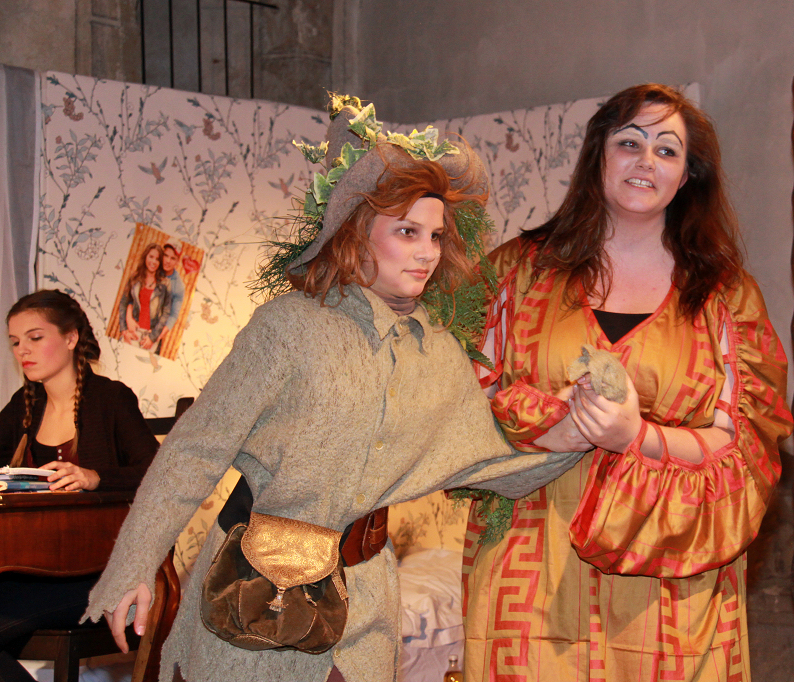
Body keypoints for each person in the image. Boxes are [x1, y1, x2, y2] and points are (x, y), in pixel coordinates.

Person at [83, 99, 582, 682]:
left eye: (436, 236)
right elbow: (196, 449)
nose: (427, 252)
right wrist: (135, 562)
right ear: (356, 232)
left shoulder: (440, 353)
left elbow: (489, 459)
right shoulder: (290, 326)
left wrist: (583, 431)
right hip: (253, 598)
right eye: (407, 232)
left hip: (366, 602)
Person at [462, 84, 794, 682]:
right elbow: (457, 398)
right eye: (629, 143)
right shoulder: (516, 271)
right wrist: (548, 423)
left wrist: (636, 437)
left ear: (687, 175)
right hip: (531, 553)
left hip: (668, 569)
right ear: (599, 156)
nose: (646, 161)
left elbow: (746, 447)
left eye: (667, 150)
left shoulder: (726, 295)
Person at [0, 289, 159, 682]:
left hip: (93, 574)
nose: (23, 350)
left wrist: (96, 477)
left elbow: (161, 473)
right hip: (24, 568)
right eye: (15, 342)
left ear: (71, 338)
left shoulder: (111, 398)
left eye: (35, 337)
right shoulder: (24, 404)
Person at [118, 242, 170, 350]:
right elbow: (123, 303)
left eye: (157, 259)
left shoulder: (164, 284)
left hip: (149, 337)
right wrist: (124, 330)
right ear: (145, 256)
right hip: (133, 333)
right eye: (151, 257)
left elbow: (166, 313)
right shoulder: (134, 278)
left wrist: (152, 337)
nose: (153, 262)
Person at [154, 240, 186, 352]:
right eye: (166, 255)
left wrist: (158, 335)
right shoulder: (152, 268)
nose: (168, 261)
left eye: (172, 258)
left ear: (177, 261)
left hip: (156, 329)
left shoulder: (178, 285)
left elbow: (173, 315)